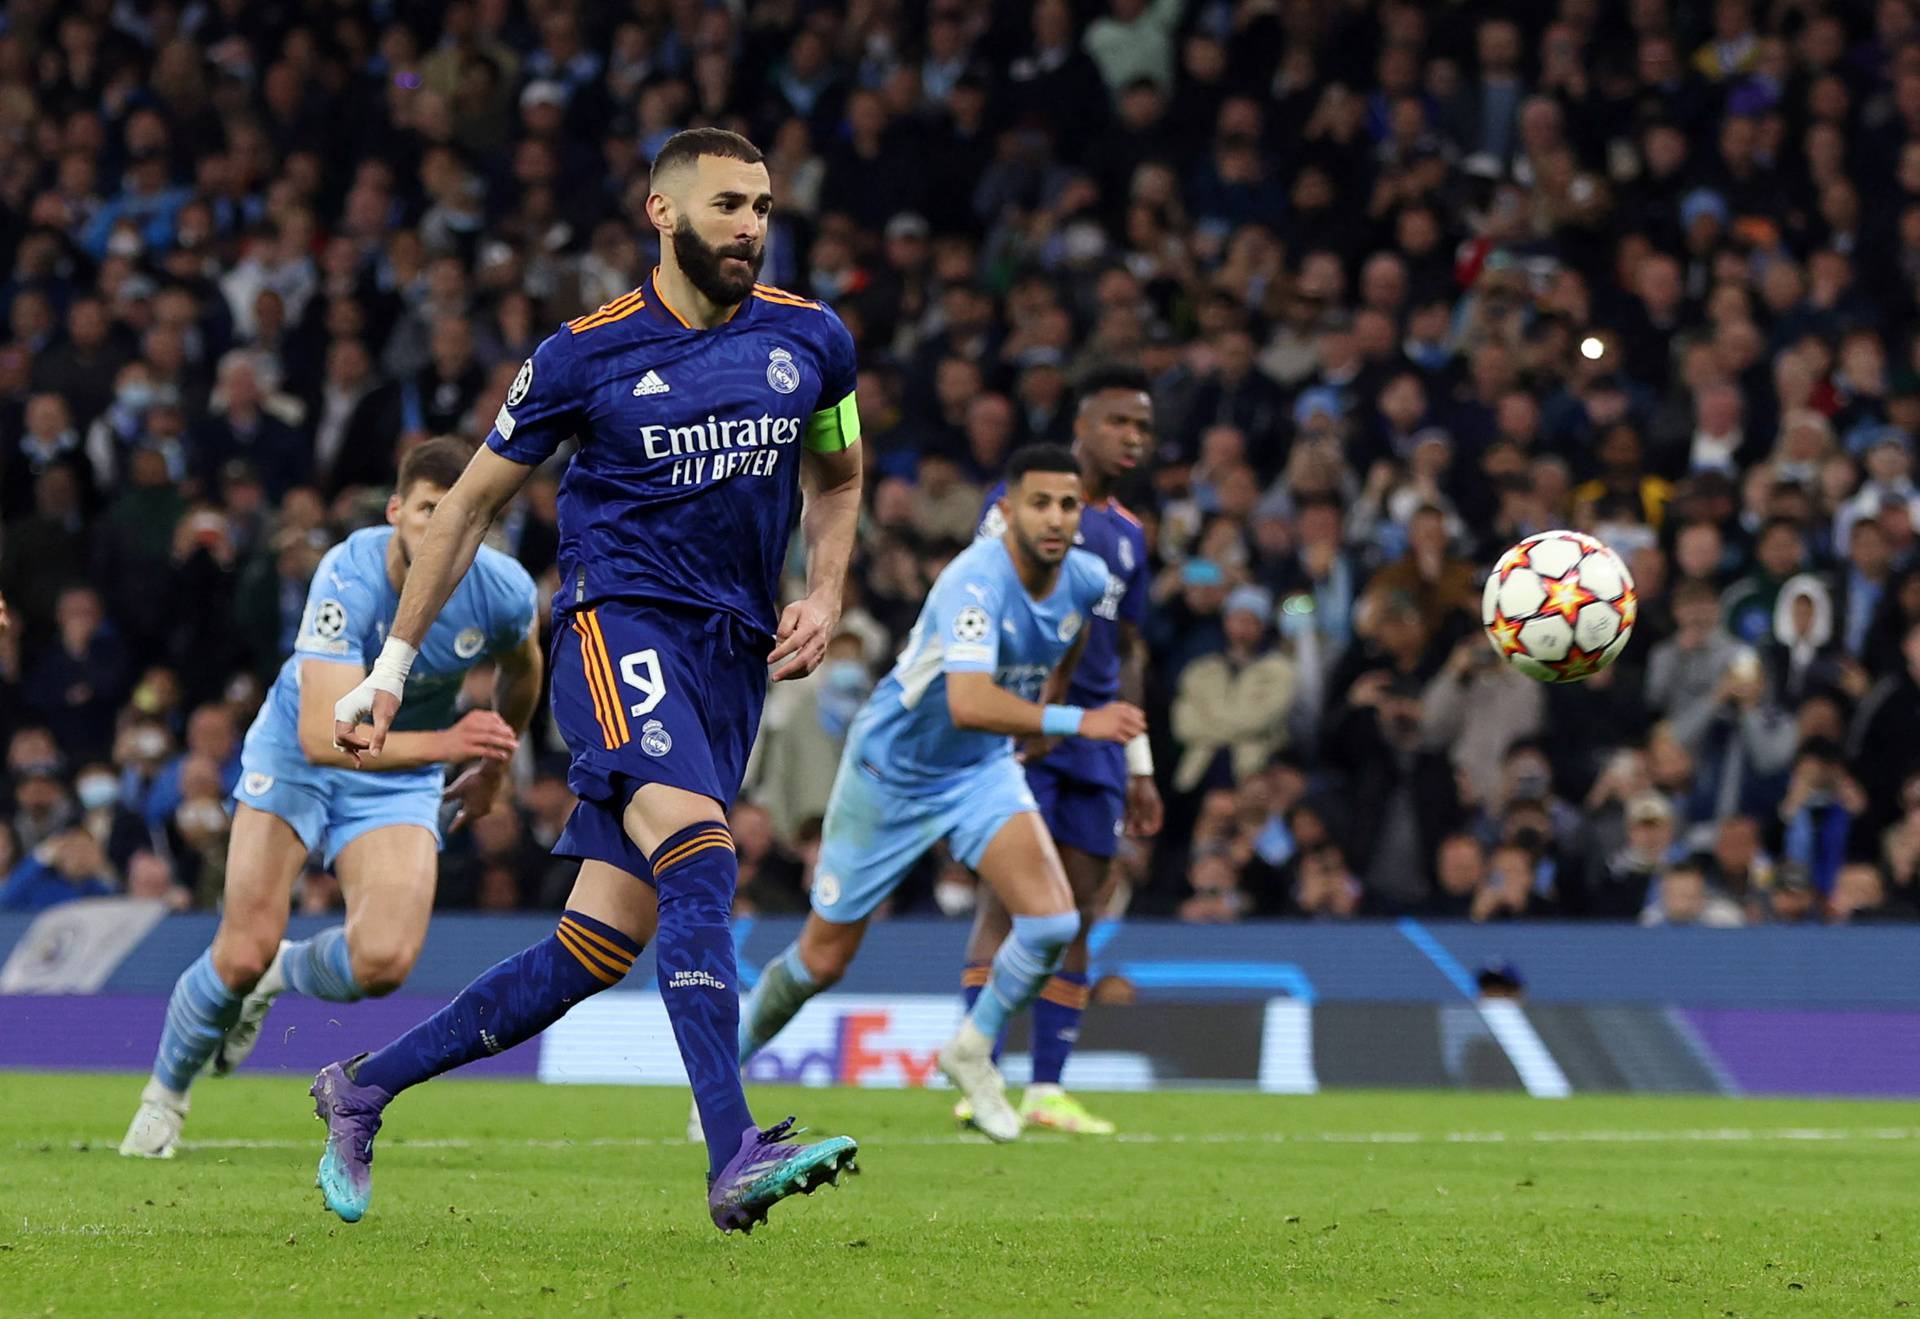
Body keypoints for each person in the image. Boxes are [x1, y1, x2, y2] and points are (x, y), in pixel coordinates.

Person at [319, 130, 863, 1234]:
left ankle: (362, 1085)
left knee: (594, 946)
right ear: (662, 214)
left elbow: (840, 471)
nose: (751, 225)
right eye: (727, 205)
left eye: (762, 206)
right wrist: (388, 669)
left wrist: (828, 590)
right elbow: (468, 504)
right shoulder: (581, 354)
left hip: (733, 653)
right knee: (705, 853)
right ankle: (733, 1151)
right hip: (622, 628)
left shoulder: (814, 339)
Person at [119, 437, 541, 1159]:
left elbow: (524, 669)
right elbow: (324, 732)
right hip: (301, 755)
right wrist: (450, 746)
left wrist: (495, 769)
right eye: (428, 511)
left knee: (382, 962)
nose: (444, 528)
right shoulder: (348, 573)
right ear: (395, 512)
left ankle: (280, 975)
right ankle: (165, 1094)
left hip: (398, 771)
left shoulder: (502, 591)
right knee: (238, 950)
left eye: (461, 513)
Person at [734, 445, 1145, 1142]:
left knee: (1052, 921)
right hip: (891, 772)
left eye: (1068, 504)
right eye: (1040, 502)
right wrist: (1076, 720)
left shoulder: (1085, 578)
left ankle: (970, 1048)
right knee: (823, 959)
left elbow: (1069, 643)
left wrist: (1050, 703)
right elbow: (969, 700)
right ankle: (721, 1065)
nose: (1055, 517)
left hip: (979, 770)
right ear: (1008, 511)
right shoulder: (973, 581)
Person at [954, 367, 1162, 1137]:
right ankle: (978, 1073)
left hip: (1100, 740)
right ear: (1083, 424)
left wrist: (1140, 764)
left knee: (1078, 910)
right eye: (1119, 422)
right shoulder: (1021, 511)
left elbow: (1130, 647)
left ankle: (1046, 1089)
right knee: (1007, 902)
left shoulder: (1134, 534)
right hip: (1030, 726)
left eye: (1143, 427)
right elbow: (984, 598)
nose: (1133, 438)